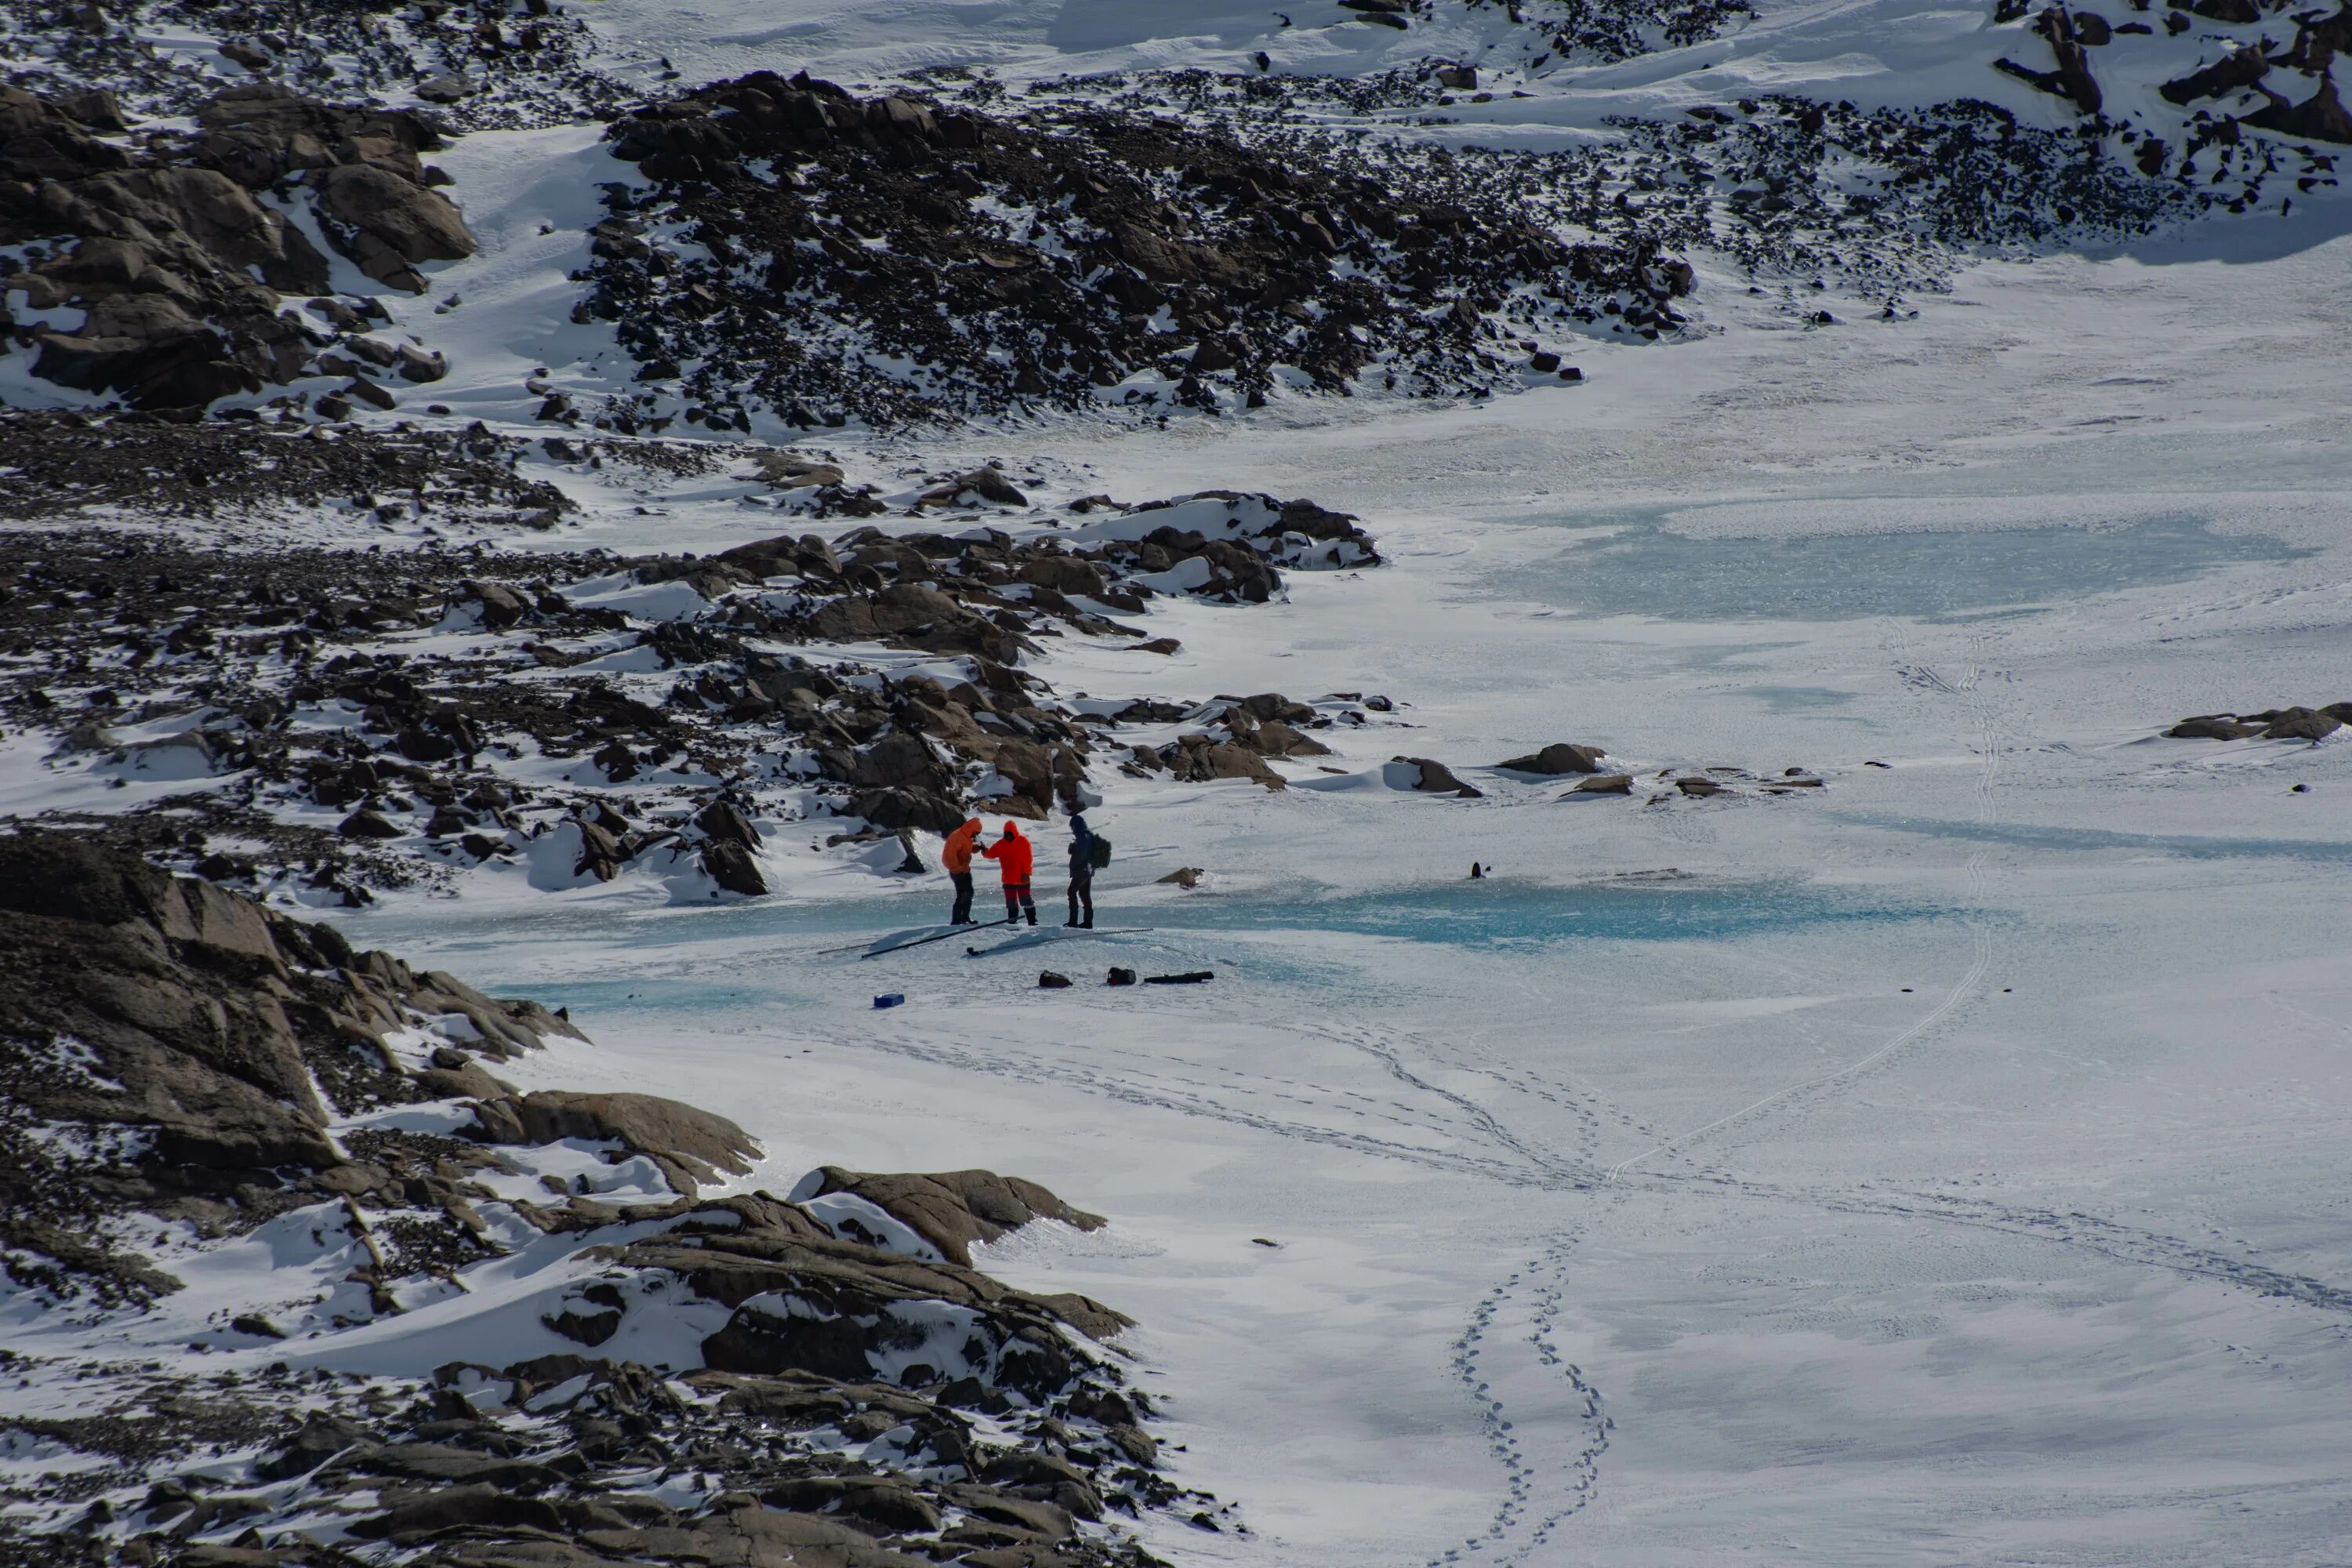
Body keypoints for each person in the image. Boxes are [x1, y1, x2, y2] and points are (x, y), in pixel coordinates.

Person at [980, 820, 1036, 925]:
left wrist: (1026, 873)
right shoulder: (1001, 844)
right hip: (1008, 880)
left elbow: (1028, 859)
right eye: (1007, 834)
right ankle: (1012, 923)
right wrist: (984, 850)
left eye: (1010, 834)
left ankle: (1032, 922)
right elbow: (991, 853)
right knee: (1011, 904)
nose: (1008, 836)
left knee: (1026, 901)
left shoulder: (1023, 842)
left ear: (1014, 833)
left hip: (1022, 879)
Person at [942, 817, 983, 925]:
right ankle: (956, 920)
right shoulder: (956, 836)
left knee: (969, 893)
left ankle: (965, 918)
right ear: (972, 830)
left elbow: (966, 850)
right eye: (976, 833)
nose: (977, 835)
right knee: (962, 894)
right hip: (957, 871)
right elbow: (949, 856)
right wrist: (956, 869)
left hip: (965, 870)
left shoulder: (968, 837)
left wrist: (977, 848)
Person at [1065, 812, 1096, 928]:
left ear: (1076, 826)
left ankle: (1073, 921)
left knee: (1071, 892)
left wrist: (1074, 855)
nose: (1072, 830)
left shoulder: (1083, 837)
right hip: (1088, 870)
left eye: (1072, 827)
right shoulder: (1088, 835)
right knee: (1084, 894)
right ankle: (1088, 922)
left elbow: (1082, 853)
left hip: (1081, 871)